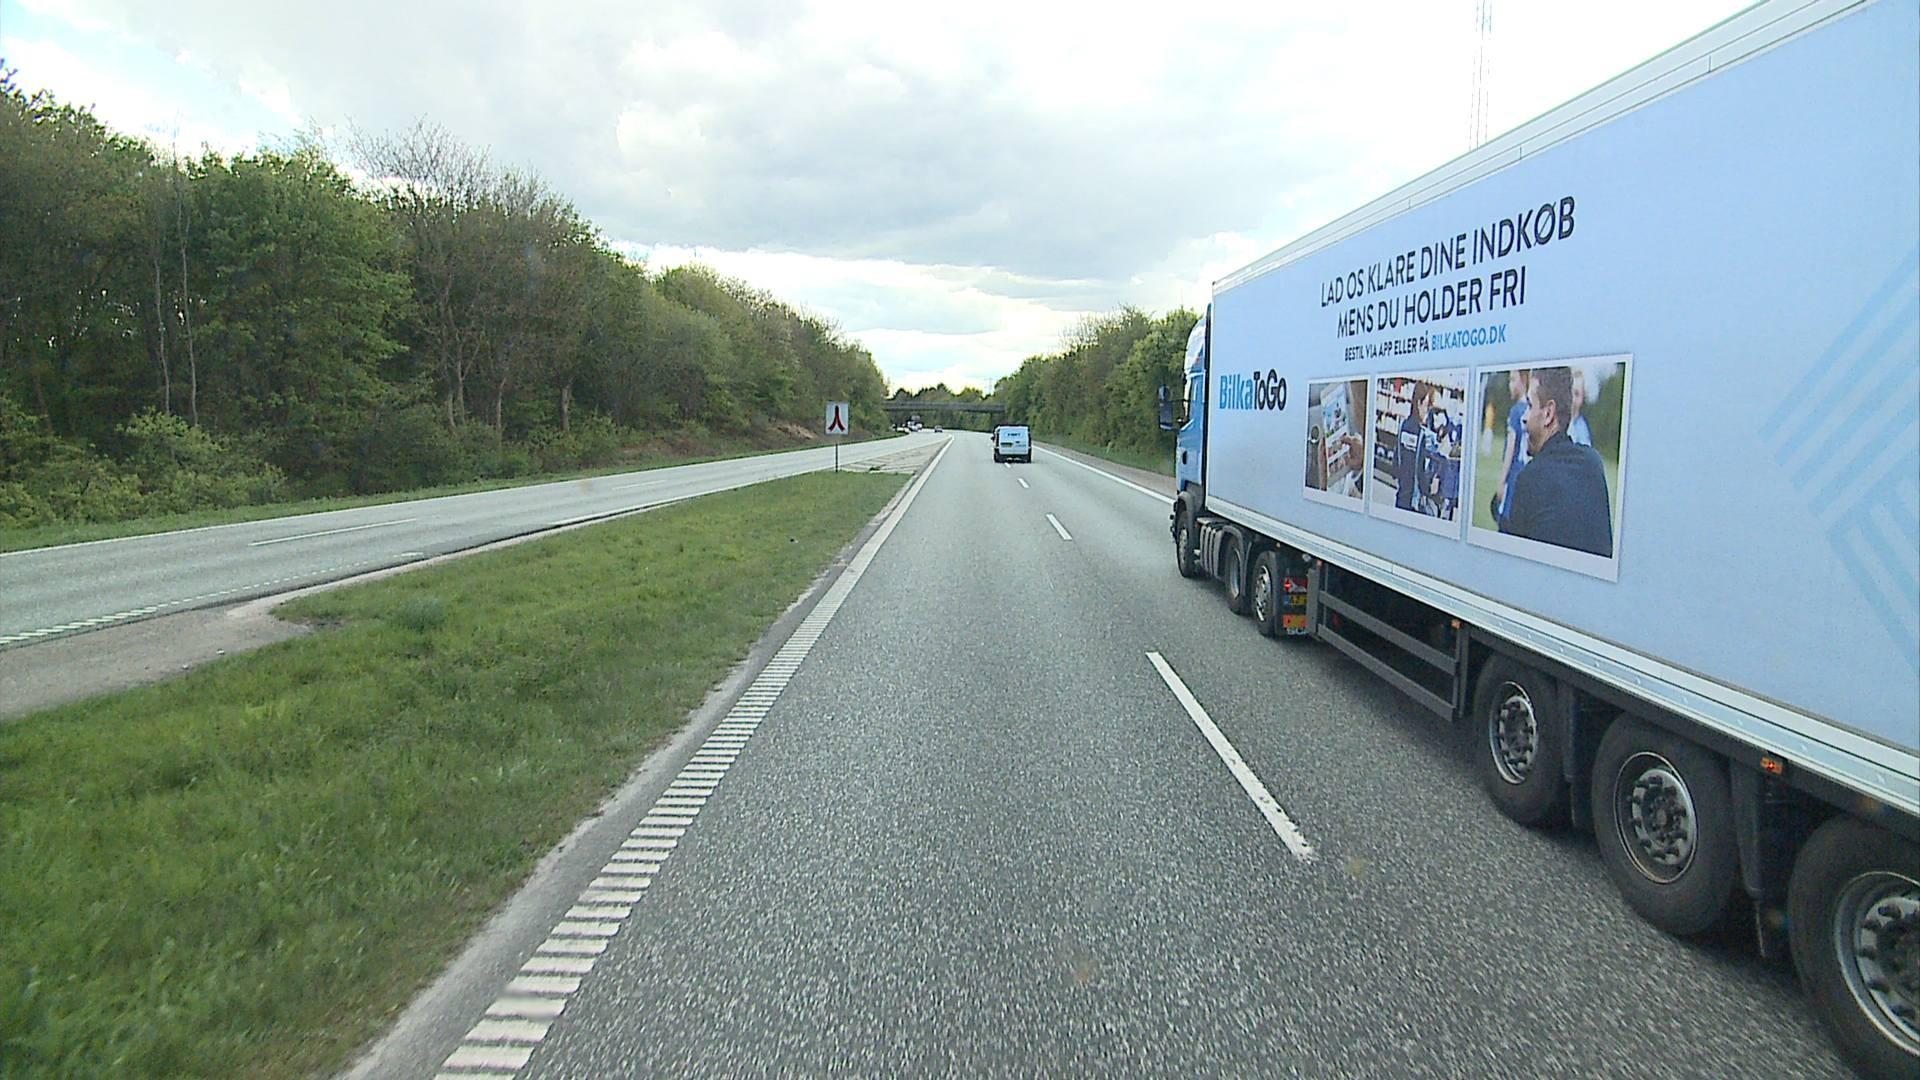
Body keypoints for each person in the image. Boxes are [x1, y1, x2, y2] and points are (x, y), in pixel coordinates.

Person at [1500, 366, 1613, 557]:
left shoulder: (1530, 478)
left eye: (1530, 405)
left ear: (1548, 413)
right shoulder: (1593, 463)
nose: (1524, 417)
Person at [1491, 369, 1531, 524]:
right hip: (1526, 477)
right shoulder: (1531, 411)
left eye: (1513, 380)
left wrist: (1501, 481)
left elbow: (1510, 449)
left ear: (1523, 381)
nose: (1510, 385)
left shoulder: (1516, 411)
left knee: (1505, 522)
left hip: (1514, 477)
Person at [1394, 381, 1435, 513]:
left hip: (1401, 495)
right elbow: (1421, 471)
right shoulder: (1421, 435)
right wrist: (1429, 489)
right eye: (1426, 406)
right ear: (1418, 404)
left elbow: (1396, 462)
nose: (1426, 412)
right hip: (1414, 501)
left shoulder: (1403, 426)